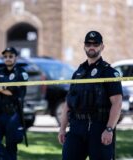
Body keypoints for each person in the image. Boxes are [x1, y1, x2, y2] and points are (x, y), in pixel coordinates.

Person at [58, 31, 123, 160]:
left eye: (95, 44)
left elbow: (117, 103)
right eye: (88, 44)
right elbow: (68, 103)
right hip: (76, 127)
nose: (91, 46)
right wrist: (62, 128)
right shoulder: (78, 72)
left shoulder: (109, 72)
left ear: (102, 47)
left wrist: (109, 129)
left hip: (98, 127)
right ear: (84, 46)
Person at [0, 47, 28, 160]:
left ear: (16, 58)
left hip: (13, 115)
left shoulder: (21, 73)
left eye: (11, 56)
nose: (8, 58)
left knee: (11, 146)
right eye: (5, 56)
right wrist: (5, 86)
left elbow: (13, 92)